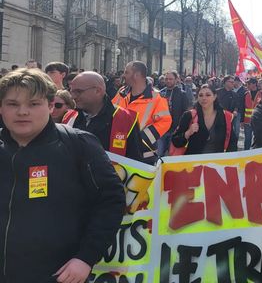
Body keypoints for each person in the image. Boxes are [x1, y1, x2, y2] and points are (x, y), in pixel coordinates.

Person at [0, 68, 125, 283]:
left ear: (50, 106)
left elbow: (111, 201)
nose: (22, 111)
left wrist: (86, 258)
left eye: (33, 104)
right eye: (13, 104)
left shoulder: (79, 145)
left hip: (58, 275)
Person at [62, 71, 146, 163]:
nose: (72, 96)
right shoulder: (69, 117)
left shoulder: (126, 118)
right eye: (71, 91)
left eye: (78, 91)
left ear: (98, 91)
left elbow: (135, 161)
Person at [112, 61, 172, 159]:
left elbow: (165, 121)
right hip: (118, 149)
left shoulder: (157, 97)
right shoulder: (121, 92)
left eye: (127, 72)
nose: (123, 75)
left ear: (137, 75)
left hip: (143, 155)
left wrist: (142, 138)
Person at [171, 84, 237, 154]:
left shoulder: (226, 116)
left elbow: (232, 142)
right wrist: (188, 133)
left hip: (216, 163)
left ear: (214, 97)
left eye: (208, 95)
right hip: (193, 162)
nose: (204, 98)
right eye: (201, 95)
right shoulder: (189, 115)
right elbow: (176, 141)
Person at [158, 71, 191, 156]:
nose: (168, 81)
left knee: (172, 156)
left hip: (175, 130)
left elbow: (186, 112)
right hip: (161, 130)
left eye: (171, 79)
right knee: (158, 155)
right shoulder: (160, 93)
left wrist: (182, 128)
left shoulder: (182, 94)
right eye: (166, 79)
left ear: (176, 80)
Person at [243, 78, 261, 150]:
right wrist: (241, 120)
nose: (247, 86)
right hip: (247, 121)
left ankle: (255, 154)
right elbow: (242, 107)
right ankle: (245, 154)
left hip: (258, 120)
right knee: (247, 139)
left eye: (248, 84)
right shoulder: (246, 94)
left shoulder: (261, 94)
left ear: (254, 84)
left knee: (257, 139)